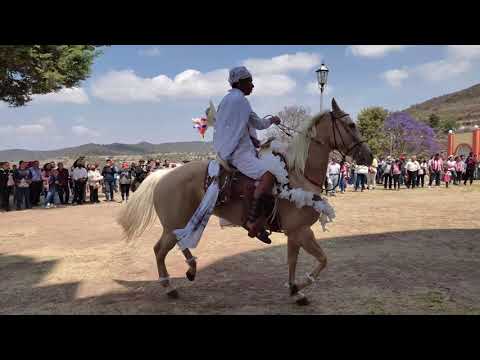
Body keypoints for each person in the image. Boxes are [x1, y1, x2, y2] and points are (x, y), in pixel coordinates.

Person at [213, 66, 281, 244]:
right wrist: (273, 120)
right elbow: (258, 124)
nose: (252, 85)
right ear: (240, 82)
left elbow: (239, 128)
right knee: (270, 175)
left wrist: (255, 140)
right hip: (239, 154)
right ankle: (252, 221)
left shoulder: (226, 100)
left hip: (233, 150)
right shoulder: (241, 101)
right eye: (249, 81)